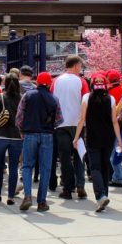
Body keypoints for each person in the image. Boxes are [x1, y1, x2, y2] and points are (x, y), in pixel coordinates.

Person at [74, 73, 122, 212]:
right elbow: (114, 121)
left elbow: (81, 119)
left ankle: (100, 196)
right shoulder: (111, 99)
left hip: (93, 137)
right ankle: (104, 195)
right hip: (108, 137)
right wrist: (119, 140)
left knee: (95, 167)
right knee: (105, 166)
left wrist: (76, 137)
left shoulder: (86, 98)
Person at [16, 71, 63, 212]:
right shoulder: (54, 99)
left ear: (37, 82)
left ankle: (27, 196)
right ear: (49, 83)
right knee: (45, 169)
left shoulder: (27, 96)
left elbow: (19, 117)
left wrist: (22, 130)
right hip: (47, 135)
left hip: (30, 134)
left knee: (27, 166)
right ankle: (42, 202)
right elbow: (59, 120)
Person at [51, 55, 89, 200]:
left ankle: (68, 188)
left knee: (65, 157)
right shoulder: (81, 82)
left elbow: (52, 100)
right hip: (78, 124)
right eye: (80, 65)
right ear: (76, 65)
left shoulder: (56, 81)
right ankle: (80, 185)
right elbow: (86, 101)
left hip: (60, 125)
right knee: (80, 155)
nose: (81, 68)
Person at [0, 73, 23, 205]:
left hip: (0, 135)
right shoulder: (22, 98)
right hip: (16, 136)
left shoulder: (0, 98)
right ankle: (11, 197)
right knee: (14, 167)